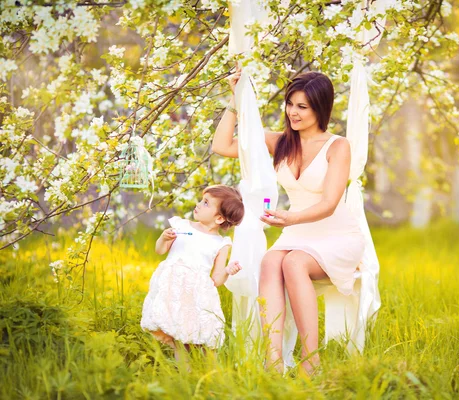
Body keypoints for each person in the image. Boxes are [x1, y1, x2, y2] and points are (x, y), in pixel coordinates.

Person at [211, 70, 365, 375]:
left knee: (293, 263)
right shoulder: (280, 142)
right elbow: (222, 146)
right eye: (290, 104)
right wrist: (235, 98)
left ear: (321, 108)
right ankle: (273, 363)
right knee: (270, 262)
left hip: (336, 234)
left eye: (302, 107)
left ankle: (312, 362)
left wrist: (290, 218)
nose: (293, 112)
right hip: (297, 232)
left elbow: (329, 203)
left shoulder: (338, 146)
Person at [140, 185, 244, 363]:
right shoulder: (181, 226)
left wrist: (227, 271)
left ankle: (208, 373)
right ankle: (184, 375)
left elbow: (216, 280)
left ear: (219, 218)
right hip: (173, 290)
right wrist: (163, 239)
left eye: (206, 203)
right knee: (179, 336)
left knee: (198, 336)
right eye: (201, 200)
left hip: (196, 294)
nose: (198, 204)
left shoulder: (221, 243)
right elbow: (160, 250)